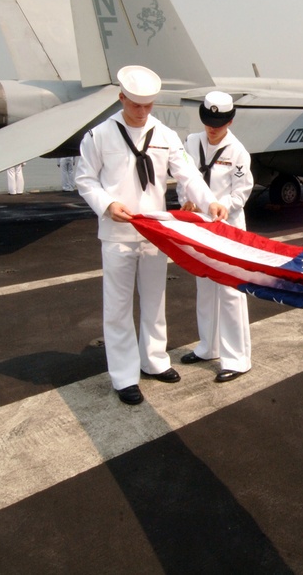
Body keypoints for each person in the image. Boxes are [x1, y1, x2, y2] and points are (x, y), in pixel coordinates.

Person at [76, 65, 227, 406]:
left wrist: (210, 201)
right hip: (117, 232)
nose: (142, 112)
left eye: (148, 106)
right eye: (134, 105)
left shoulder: (165, 135)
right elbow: (85, 179)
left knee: (154, 300)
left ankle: (154, 360)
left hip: (155, 233)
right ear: (121, 98)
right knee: (117, 307)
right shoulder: (100, 135)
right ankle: (124, 376)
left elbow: (187, 175)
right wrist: (107, 203)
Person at [177, 92, 255, 382]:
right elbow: (184, 178)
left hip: (228, 228)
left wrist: (226, 206)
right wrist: (186, 199)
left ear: (230, 121)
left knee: (231, 292)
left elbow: (242, 192)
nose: (212, 128)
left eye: (219, 123)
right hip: (200, 225)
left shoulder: (238, 152)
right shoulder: (191, 142)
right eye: (209, 122)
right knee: (205, 287)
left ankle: (237, 359)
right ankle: (208, 347)